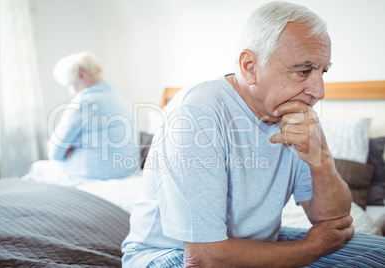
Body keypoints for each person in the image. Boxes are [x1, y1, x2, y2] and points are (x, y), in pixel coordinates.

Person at [122, 1, 385, 267]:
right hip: (171, 253)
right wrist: (309, 248)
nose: (319, 91)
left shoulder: (296, 117)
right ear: (250, 66)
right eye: (304, 71)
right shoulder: (196, 113)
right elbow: (203, 259)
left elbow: (334, 222)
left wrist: (322, 158)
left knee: (379, 253)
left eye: (322, 71)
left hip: (253, 243)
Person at [25, 52, 140, 185]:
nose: (70, 92)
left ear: (81, 74)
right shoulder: (119, 97)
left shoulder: (84, 102)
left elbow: (55, 152)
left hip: (92, 175)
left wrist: (70, 146)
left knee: (37, 168)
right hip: (127, 171)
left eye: (70, 84)